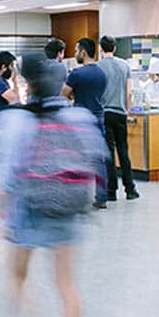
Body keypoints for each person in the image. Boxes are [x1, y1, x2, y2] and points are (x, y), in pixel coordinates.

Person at [0, 51, 105, 317]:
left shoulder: (16, 120)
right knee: (67, 282)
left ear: (28, 85)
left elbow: (11, 172)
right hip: (69, 208)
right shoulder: (79, 117)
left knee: (17, 274)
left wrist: (2, 206)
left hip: (30, 208)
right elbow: (96, 159)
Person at [62, 38, 109, 209]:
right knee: (98, 160)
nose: (75, 54)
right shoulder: (101, 74)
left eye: (76, 50)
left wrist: (72, 94)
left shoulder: (76, 74)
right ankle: (102, 197)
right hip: (98, 116)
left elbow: (63, 94)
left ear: (83, 52)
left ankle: (76, 196)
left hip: (80, 118)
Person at [97, 35, 139, 201]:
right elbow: (129, 92)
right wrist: (127, 111)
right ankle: (130, 189)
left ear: (101, 48)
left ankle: (111, 191)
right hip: (120, 113)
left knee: (108, 153)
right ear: (114, 48)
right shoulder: (125, 65)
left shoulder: (97, 67)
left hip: (104, 113)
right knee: (123, 152)